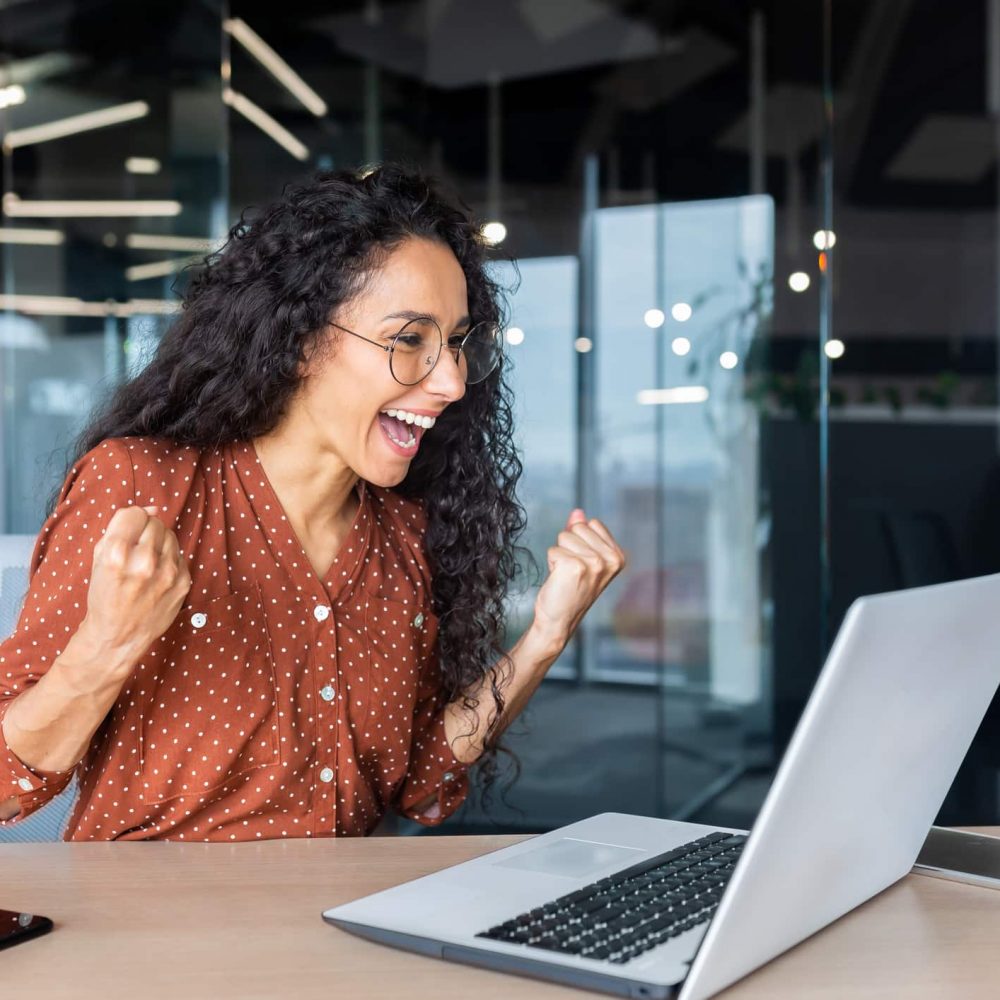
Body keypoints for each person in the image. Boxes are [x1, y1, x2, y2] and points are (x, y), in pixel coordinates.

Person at [0, 164, 625, 841]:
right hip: (156, 934)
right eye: (408, 340)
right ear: (300, 341)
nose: (449, 380)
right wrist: (107, 645)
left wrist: (545, 637)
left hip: (334, 926)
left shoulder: (404, 539)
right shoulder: (143, 487)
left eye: (455, 343)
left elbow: (421, 785)